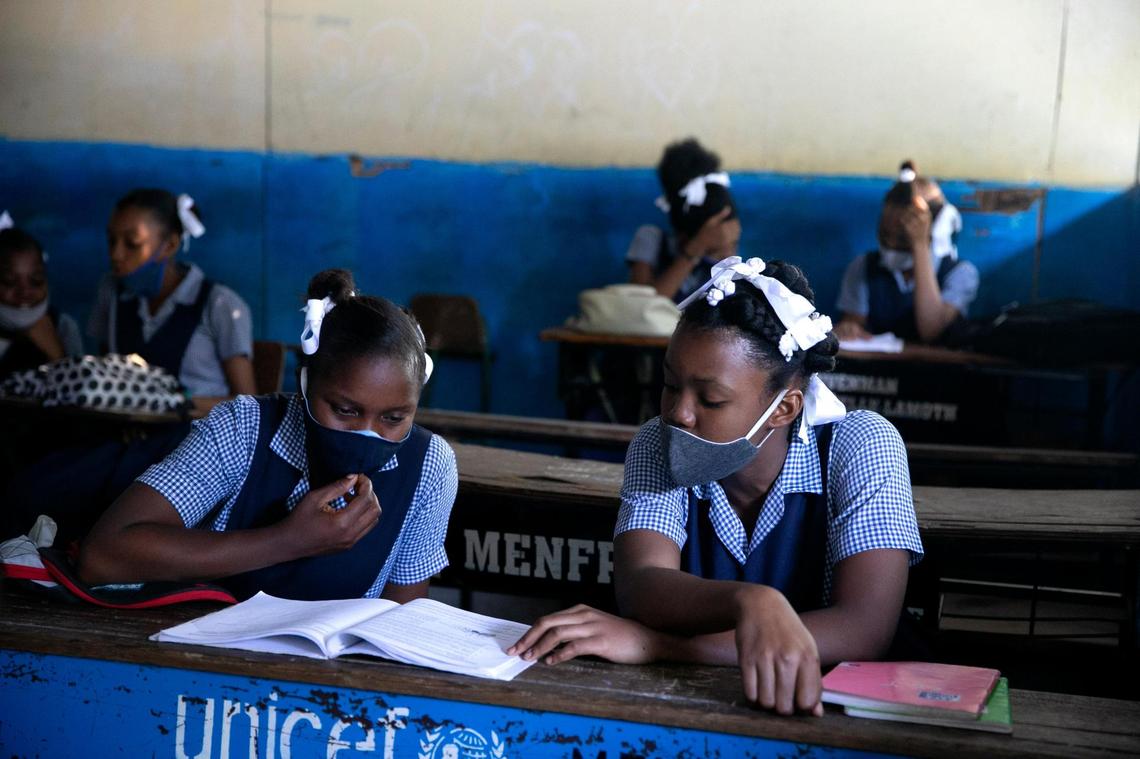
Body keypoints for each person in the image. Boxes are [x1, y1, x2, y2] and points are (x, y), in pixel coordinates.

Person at [510, 257, 923, 716]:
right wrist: (752, 603)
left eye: (711, 399)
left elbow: (865, 628)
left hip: (837, 710)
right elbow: (642, 584)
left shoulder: (859, 444)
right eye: (670, 385)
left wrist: (663, 646)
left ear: (785, 409)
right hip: (703, 703)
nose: (679, 413)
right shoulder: (659, 443)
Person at [78, 269, 458, 602]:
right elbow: (104, 555)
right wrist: (286, 541)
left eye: (394, 417)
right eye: (345, 410)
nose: (367, 433)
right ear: (305, 383)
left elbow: (401, 620)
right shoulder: (243, 429)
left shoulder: (427, 466)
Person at [87, 189, 255, 410]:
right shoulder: (111, 293)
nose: (116, 255)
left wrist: (175, 404)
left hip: (194, 437)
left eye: (132, 243)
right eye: (111, 241)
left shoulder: (220, 304)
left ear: (170, 245)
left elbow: (248, 405)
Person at [834, 161, 978, 344]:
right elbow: (854, 326)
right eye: (887, 234)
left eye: (903, 237)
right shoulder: (862, 267)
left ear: (936, 230)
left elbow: (931, 330)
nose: (892, 244)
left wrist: (919, 245)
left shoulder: (961, 273)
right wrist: (849, 328)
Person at [627, 138, 742, 304]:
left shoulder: (725, 248)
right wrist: (695, 249)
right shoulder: (651, 237)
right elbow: (642, 307)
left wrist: (727, 259)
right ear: (684, 235)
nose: (728, 252)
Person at [0, 213, 84, 376]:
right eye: (9, 281)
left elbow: (81, 392)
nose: (24, 292)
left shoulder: (64, 327)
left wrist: (56, 353)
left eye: (36, 280)